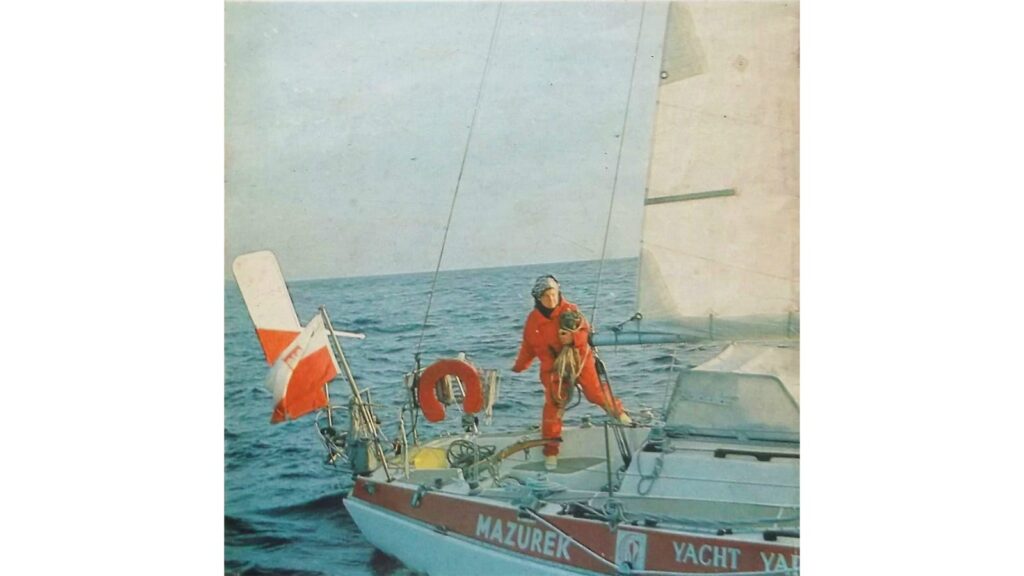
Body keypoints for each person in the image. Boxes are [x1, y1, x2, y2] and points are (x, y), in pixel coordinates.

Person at [511, 275, 630, 471]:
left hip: (579, 360)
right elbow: (528, 347)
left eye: (553, 295)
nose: (551, 300)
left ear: (559, 293)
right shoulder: (533, 321)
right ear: (538, 299)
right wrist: (519, 366)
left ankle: (620, 413)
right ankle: (551, 451)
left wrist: (573, 338)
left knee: (595, 393)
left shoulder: (570, 311)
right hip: (553, 368)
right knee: (554, 405)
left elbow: (586, 332)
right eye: (546, 297)